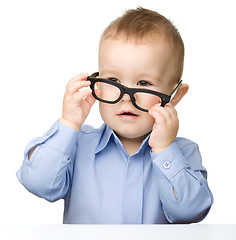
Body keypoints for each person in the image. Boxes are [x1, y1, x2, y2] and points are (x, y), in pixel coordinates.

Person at [16, 7, 213, 224]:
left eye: (144, 83)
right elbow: (38, 183)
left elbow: (190, 212)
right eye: (115, 81)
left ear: (175, 95)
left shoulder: (182, 153)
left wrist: (164, 150)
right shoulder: (77, 144)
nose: (125, 97)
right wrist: (69, 123)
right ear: (97, 84)